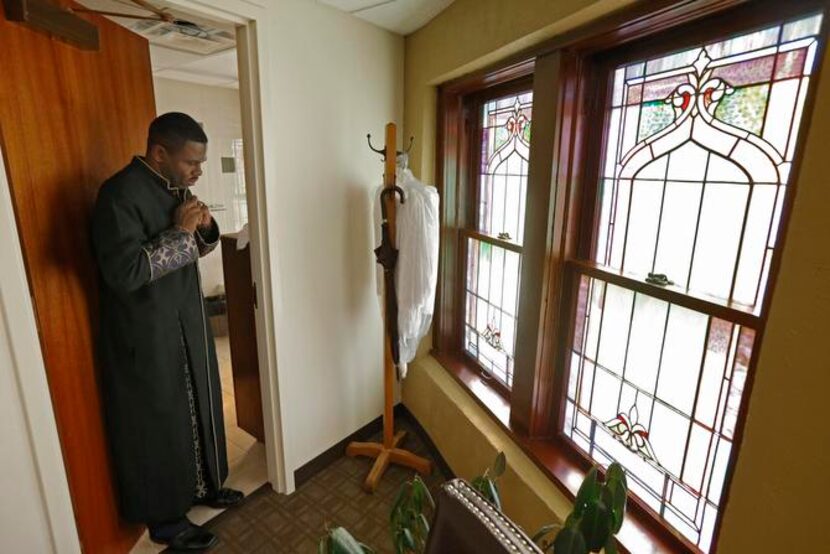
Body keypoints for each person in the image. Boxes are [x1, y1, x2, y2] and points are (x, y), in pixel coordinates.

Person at [92, 112, 243, 551]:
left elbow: (197, 246)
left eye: (201, 162)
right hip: (148, 330)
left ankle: (206, 486)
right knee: (159, 422)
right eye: (190, 162)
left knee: (200, 402)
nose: (198, 172)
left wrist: (204, 228)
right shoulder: (117, 196)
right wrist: (180, 231)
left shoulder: (175, 188)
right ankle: (165, 520)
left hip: (186, 320)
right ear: (159, 153)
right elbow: (126, 271)